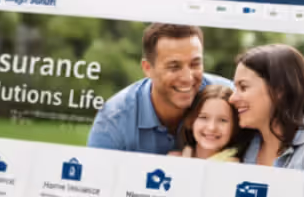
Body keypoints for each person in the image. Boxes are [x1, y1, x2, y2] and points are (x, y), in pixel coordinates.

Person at [87, 23, 229, 154]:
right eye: (174, 66)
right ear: (148, 69)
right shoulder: (113, 120)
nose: (187, 78)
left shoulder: (231, 97)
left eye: (195, 64)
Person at [230, 44, 304, 174]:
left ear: (279, 90)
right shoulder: (243, 147)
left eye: (243, 87)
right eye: (235, 88)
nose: (232, 98)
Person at [169, 85, 245, 162]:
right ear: (190, 121)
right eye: (203, 117)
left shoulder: (235, 168)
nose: (211, 127)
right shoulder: (172, 160)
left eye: (222, 120)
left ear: (235, 127)